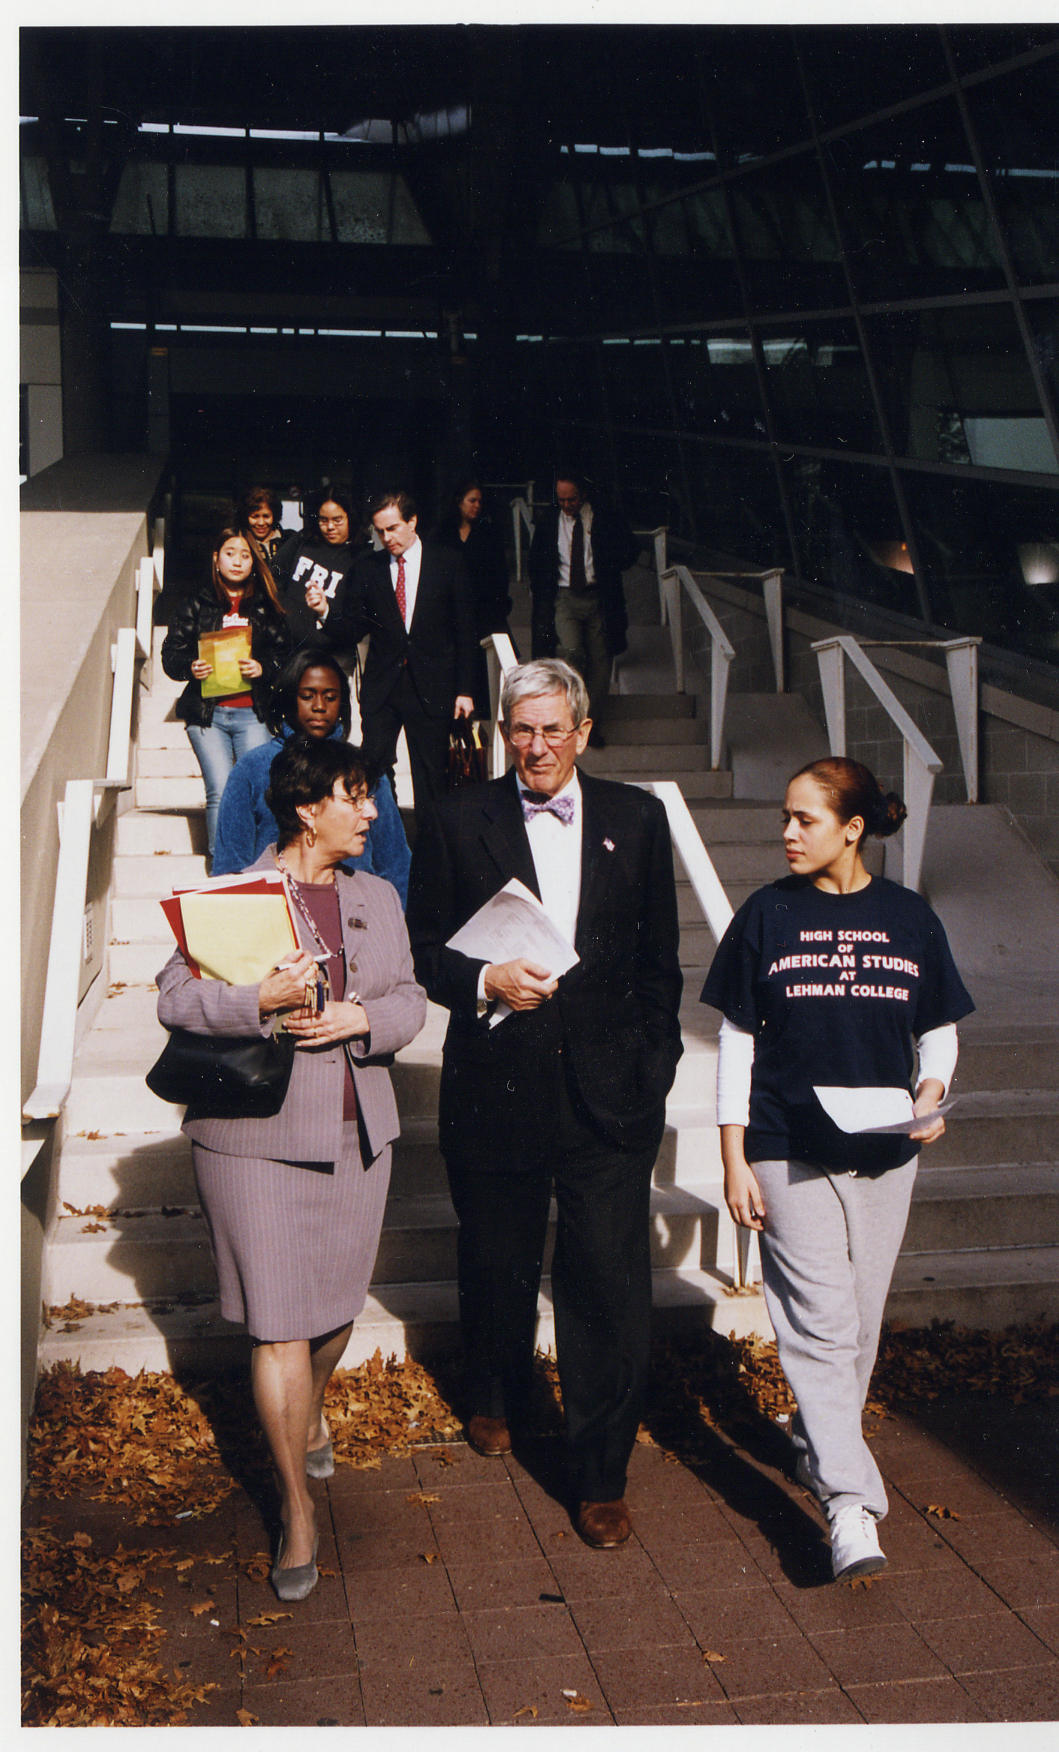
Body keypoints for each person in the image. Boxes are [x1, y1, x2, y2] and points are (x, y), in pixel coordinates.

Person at [406, 658, 683, 1548]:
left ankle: (599, 1471)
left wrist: (654, 1064)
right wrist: (482, 975)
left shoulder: (637, 820)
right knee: (497, 1259)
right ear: (501, 732)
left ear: (583, 732)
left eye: (552, 729)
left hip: (609, 1097)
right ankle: (493, 1390)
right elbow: (420, 947)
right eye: (520, 729)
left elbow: (658, 968)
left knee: (606, 1284)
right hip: (498, 1081)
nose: (536, 746)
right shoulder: (455, 819)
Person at [156, 735, 426, 1602]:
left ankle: (306, 1412)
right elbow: (171, 996)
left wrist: (361, 1020)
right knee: (278, 1324)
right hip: (254, 1139)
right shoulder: (233, 895)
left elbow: (412, 998)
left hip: (356, 1133)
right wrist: (253, 1001)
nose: (373, 813)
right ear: (309, 807)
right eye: (359, 796)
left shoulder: (379, 896)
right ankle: (297, 1510)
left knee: (337, 1309)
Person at [700, 757, 974, 1583]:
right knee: (819, 1325)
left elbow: (939, 1030)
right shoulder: (765, 914)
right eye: (785, 817)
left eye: (804, 820)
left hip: (887, 1147)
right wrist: (732, 1154)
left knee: (854, 1323)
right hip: (786, 1143)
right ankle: (849, 1506)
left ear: (852, 830)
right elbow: (735, 1042)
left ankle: (815, 1439)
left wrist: (929, 1093)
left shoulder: (909, 917)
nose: (786, 833)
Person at [212, 650, 411, 904]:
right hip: (278, 913)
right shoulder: (252, 769)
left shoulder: (364, 770)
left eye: (331, 697)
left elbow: (395, 864)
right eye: (307, 696)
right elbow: (230, 867)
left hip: (359, 914)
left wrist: (395, 928)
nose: (319, 707)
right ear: (287, 699)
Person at [328, 489, 478, 825]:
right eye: (380, 531)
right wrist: (325, 612)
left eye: (393, 528)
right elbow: (354, 626)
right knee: (373, 771)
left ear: (412, 522)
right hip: (384, 687)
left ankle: (431, 863)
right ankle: (383, 845)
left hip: (433, 687)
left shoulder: (448, 562)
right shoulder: (368, 568)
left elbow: (465, 633)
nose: (386, 537)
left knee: (432, 781)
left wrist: (465, 690)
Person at [161, 520, 292, 864]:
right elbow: (170, 655)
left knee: (262, 791)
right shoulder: (196, 603)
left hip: (254, 712)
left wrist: (264, 669)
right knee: (220, 789)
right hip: (209, 716)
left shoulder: (266, 605)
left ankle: (263, 864)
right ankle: (224, 868)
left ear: (254, 561)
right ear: (216, 558)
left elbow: (285, 656)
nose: (237, 561)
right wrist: (191, 666)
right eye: (230, 553)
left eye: (245, 555)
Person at [527, 472, 638, 747]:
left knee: (601, 664)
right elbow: (535, 562)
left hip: (598, 597)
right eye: (561, 499)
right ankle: (567, 719)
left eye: (572, 499)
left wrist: (609, 564)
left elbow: (630, 549)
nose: (567, 505)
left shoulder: (602, 516)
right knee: (570, 652)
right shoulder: (549, 522)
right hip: (565, 597)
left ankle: (590, 727)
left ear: (583, 494)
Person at [431, 477, 515, 718]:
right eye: (471, 500)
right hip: (450, 611)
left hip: (483, 611)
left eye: (480, 501)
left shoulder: (488, 533)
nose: (477, 505)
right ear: (459, 502)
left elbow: (500, 575)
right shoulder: (442, 534)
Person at [272, 486, 365, 651]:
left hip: (329, 656)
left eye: (337, 520)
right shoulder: (303, 539)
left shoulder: (361, 558)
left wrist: (325, 612)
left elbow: (356, 628)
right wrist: (283, 612)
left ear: (351, 517)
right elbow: (272, 576)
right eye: (323, 520)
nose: (330, 527)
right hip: (286, 647)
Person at [237, 485, 295, 569]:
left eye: (266, 516)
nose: (261, 523)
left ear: (274, 516)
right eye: (255, 516)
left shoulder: (290, 539)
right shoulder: (240, 541)